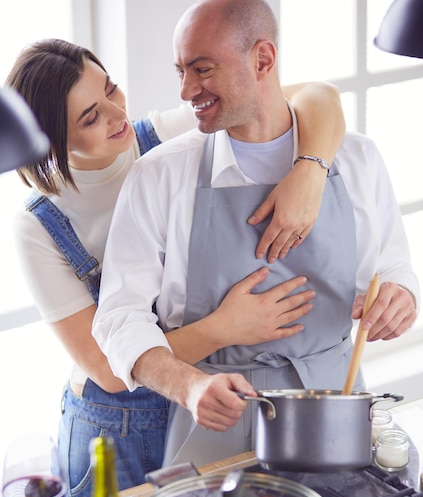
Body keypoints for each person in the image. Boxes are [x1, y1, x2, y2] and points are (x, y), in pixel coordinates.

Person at [6, 39, 346, 497]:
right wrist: (226, 328)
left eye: (111, 89)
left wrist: (310, 172)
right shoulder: (39, 226)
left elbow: (319, 96)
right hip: (117, 426)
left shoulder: (165, 137)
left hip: (206, 397)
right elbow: (109, 369)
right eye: (90, 116)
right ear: (50, 140)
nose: (115, 113)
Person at [93, 0, 420, 469]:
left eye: (202, 69)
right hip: (215, 419)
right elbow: (118, 319)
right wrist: (189, 385)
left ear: (263, 60)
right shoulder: (160, 175)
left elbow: (394, 267)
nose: (186, 90)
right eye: (180, 71)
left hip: (337, 407)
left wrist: (399, 297)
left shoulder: (357, 159)